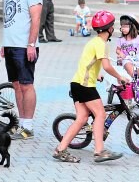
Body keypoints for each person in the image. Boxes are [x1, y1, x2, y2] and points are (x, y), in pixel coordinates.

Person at [53, 10, 128, 163]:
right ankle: (99, 151)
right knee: (100, 114)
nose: (113, 29)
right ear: (109, 29)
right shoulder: (101, 44)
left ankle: (60, 150)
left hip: (76, 83)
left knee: (81, 118)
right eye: (112, 26)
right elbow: (107, 66)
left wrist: (97, 75)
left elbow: (88, 63)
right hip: (85, 86)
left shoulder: (93, 42)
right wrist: (120, 77)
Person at [1, 0, 42, 140]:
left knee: (26, 85)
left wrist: (31, 44)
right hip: (11, 45)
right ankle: (20, 123)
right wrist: (4, 43)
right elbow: (9, 19)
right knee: (16, 85)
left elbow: (36, 20)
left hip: (24, 46)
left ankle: (28, 126)